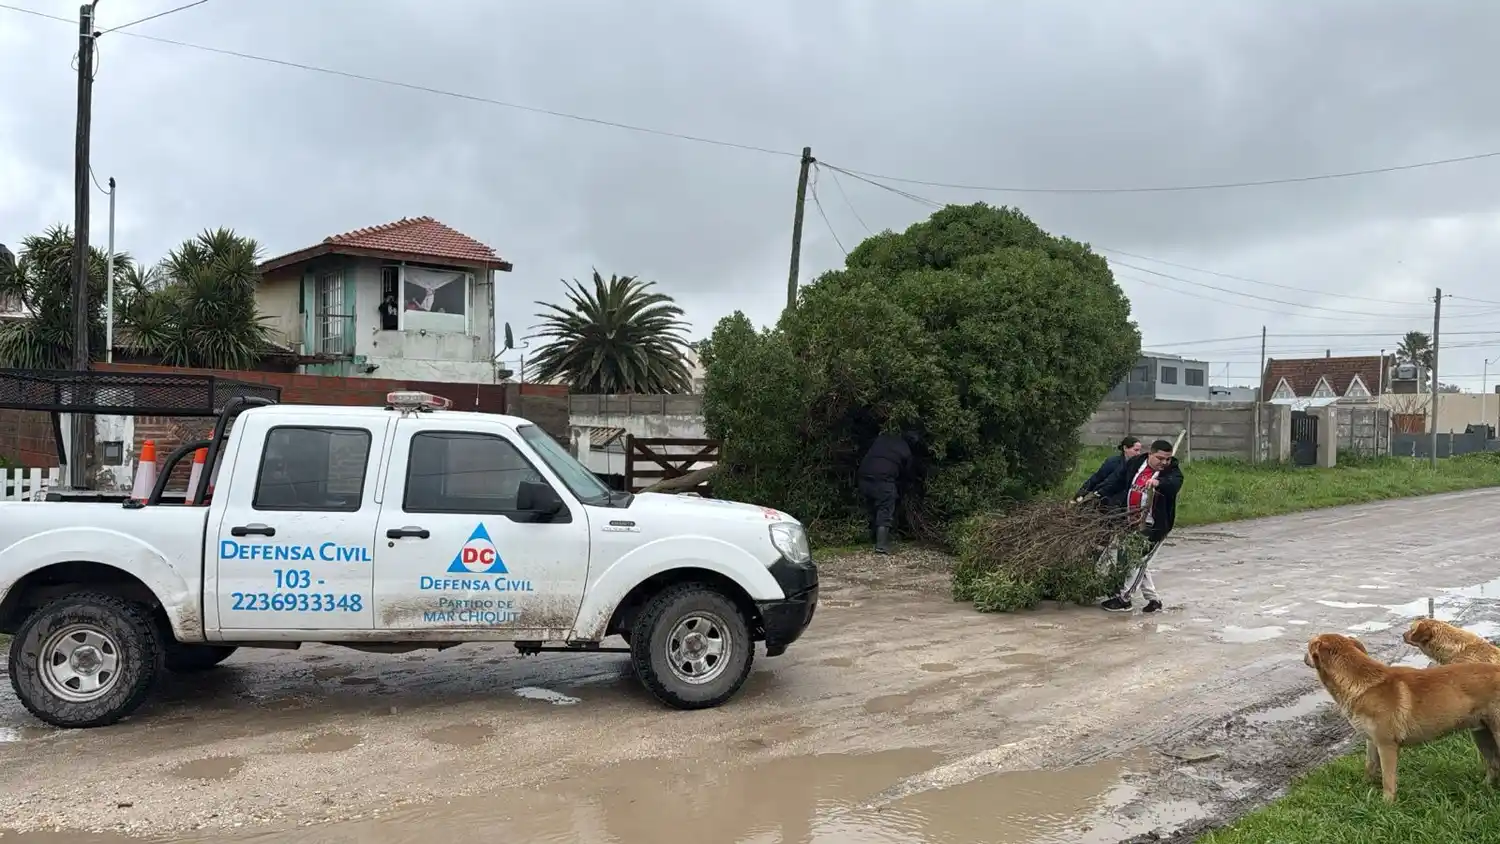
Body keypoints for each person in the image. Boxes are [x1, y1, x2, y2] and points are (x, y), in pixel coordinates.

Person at [1094, 439, 1183, 614]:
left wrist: (1158, 483)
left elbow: (1174, 484)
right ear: (1150, 454)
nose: (1164, 462)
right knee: (1139, 562)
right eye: (1160, 458)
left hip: (1154, 526)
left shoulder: (1171, 472)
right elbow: (1117, 481)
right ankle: (1154, 600)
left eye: (1167, 459)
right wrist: (1098, 493)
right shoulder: (1136, 464)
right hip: (1131, 522)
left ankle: (1124, 599)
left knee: (1138, 561)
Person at [857, 430, 917, 555]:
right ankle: (881, 545)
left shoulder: (883, 438)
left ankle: (870, 537)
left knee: (872, 509)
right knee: (885, 509)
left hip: (863, 478)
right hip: (883, 481)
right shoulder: (906, 451)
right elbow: (907, 474)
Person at [1074, 436, 1141, 504]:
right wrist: (1080, 495)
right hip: (1105, 500)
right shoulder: (1113, 462)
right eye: (1136, 450)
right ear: (1125, 448)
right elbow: (1097, 478)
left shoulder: (1139, 466)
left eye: (1139, 450)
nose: (1138, 453)